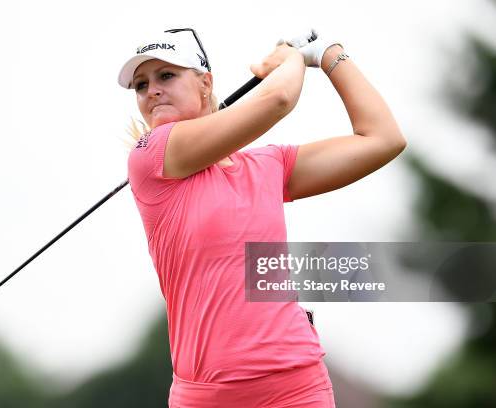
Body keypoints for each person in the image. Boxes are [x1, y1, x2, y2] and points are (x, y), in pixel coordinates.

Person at [117, 27, 406, 408]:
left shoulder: (268, 165)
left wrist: (327, 55)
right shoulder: (151, 156)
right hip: (207, 396)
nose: (151, 90)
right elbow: (279, 98)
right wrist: (288, 60)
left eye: (166, 75)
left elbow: (383, 139)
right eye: (141, 84)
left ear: (205, 83)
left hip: (296, 388)